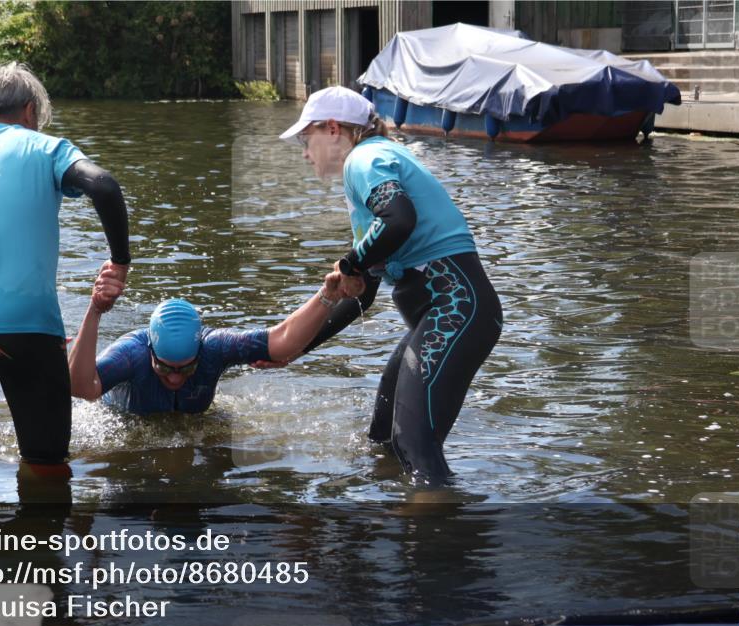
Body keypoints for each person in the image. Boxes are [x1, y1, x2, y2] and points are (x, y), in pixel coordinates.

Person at [279, 86, 503, 484]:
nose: (304, 152)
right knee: (383, 436)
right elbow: (360, 291)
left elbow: (399, 219)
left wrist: (351, 261)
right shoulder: (376, 162)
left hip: (455, 308)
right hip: (450, 313)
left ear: (333, 129)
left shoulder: (363, 158)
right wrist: (293, 348)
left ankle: (432, 534)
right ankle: (393, 516)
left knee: (413, 445)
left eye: (305, 137)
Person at [0, 62, 131, 474]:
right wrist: (120, 262)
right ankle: (42, 533)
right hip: (27, 326)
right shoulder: (45, 148)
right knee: (47, 467)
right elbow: (103, 185)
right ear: (30, 112)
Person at [69, 263, 346, 414]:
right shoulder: (131, 354)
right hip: (124, 418)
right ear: (150, 352)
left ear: (200, 350)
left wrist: (327, 297)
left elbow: (282, 341)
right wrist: (95, 309)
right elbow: (81, 388)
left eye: (187, 368)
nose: (175, 378)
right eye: (164, 367)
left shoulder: (215, 347)